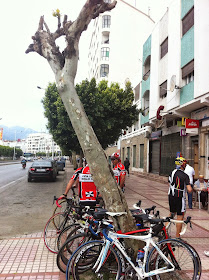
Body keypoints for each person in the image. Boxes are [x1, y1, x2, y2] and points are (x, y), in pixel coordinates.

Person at [168, 156, 192, 237]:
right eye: (184, 164)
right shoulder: (185, 176)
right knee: (180, 216)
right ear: (182, 165)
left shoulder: (172, 172)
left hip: (171, 195)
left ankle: (164, 232)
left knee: (171, 213)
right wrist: (192, 188)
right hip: (179, 197)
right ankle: (177, 237)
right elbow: (189, 189)